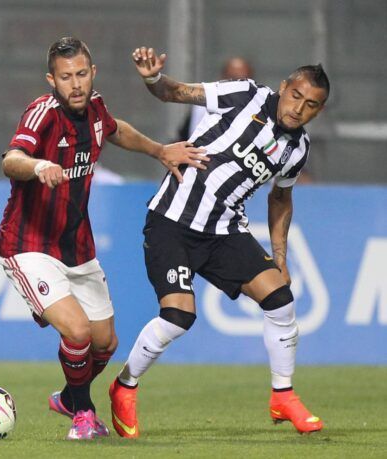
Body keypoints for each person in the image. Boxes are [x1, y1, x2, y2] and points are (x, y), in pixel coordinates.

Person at [109, 46, 329, 438]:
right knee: (178, 317)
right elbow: (176, 93)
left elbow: (280, 198)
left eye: (311, 105)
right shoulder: (247, 95)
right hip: (172, 221)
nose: (298, 108)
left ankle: (283, 396)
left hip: (225, 231)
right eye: (295, 96)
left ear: (318, 110)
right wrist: (152, 78)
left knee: (280, 300)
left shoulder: (297, 149)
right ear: (283, 88)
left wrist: (281, 257)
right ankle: (124, 386)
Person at [0, 37, 207, 441]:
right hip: (29, 245)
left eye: (80, 74)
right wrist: (39, 165)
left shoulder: (95, 107)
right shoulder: (41, 114)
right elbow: (11, 159)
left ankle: (69, 397)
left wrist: (159, 150)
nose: (74, 84)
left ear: (92, 73)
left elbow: (114, 129)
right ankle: (84, 415)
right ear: (51, 80)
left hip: (77, 247)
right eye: (65, 77)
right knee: (76, 332)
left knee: (104, 343)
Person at [176, 56, 254, 141]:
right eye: (233, 79)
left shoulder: (259, 109)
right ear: (222, 78)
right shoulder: (203, 107)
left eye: (243, 81)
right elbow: (185, 139)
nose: (236, 85)